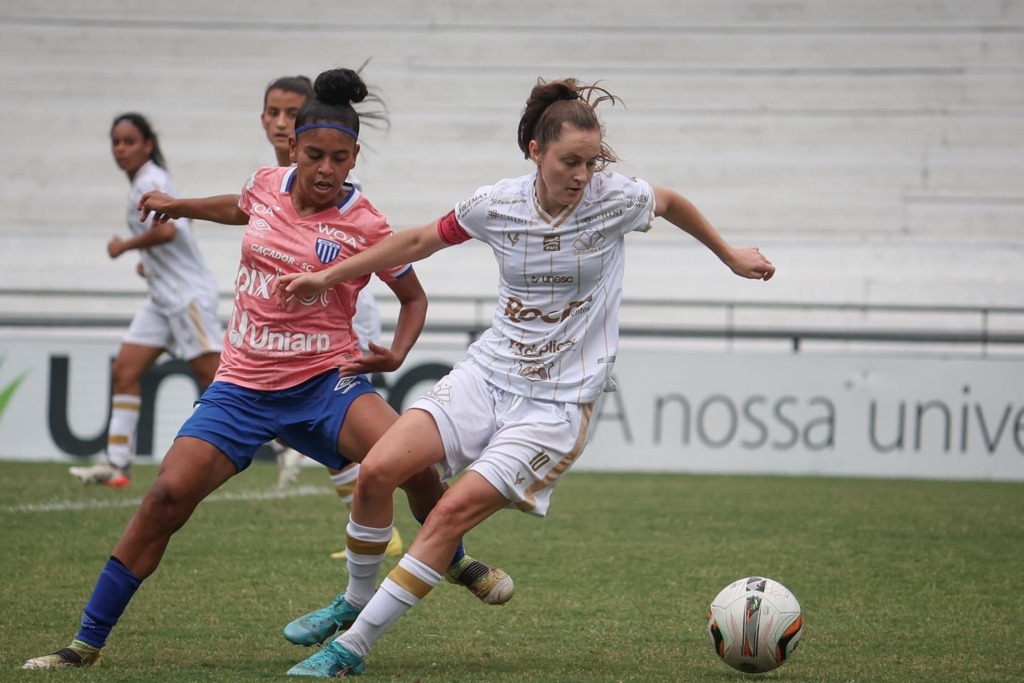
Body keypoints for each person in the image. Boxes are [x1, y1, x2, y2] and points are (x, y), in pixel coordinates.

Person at [278, 77, 776, 677]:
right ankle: (352, 602)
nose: (584, 175)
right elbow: (415, 240)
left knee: (447, 515)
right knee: (381, 468)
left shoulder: (613, 200)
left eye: (592, 163)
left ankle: (350, 649)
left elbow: (668, 202)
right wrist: (327, 278)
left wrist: (728, 254)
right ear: (536, 152)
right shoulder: (497, 204)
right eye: (571, 161)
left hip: (556, 408)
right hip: (488, 375)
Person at [23, 68, 512, 671]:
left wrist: (396, 353)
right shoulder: (265, 185)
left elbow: (414, 297)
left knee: (406, 461)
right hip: (242, 388)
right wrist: (178, 205)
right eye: (314, 155)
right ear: (292, 150)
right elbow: (238, 206)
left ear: (355, 156)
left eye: (339, 158)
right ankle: (84, 645)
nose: (326, 169)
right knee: (166, 499)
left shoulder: (365, 223)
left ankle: (456, 558)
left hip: (324, 384)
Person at [258, 76, 401, 559]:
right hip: (291, 329)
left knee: (351, 433)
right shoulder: (269, 184)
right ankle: (373, 522)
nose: (281, 122)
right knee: (310, 425)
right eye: (273, 112)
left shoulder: (335, 187)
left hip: (343, 320)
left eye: (289, 112)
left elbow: (375, 250)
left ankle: (387, 526)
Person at [69, 113, 222, 488]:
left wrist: (125, 247)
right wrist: (151, 267)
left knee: (221, 383)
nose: (121, 149)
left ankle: (286, 444)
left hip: (185, 296)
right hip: (163, 297)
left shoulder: (149, 181)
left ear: (147, 145)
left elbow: (167, 231)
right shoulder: (151, 179)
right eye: (116, 142)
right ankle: (116, 463)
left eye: (129, 141)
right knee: (124, 370)